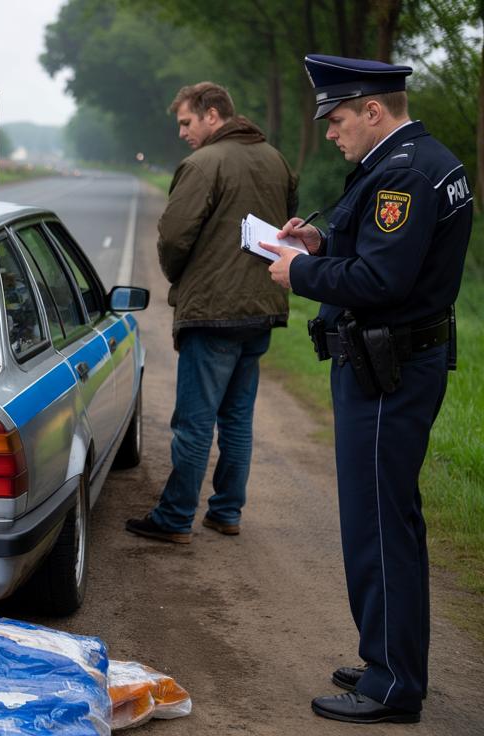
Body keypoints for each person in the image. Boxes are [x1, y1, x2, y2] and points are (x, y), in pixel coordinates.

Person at [260, 54, 471, 725]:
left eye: (338, 118)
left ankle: (392, 683)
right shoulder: (418, 160)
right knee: (388, 519)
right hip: (396, 364)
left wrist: (300, 273)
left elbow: (383, 282)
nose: (330, 132)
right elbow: (386, 253)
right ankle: (392, 658)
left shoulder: (403, 174)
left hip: (389, 373)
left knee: (378, 525)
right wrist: (320, 243)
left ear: (374, 110)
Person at [124, 82, 297, 544]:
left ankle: (175, 516)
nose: (182, 132)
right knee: (237, 418)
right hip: (261, 308)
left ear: (213, 115)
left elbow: (174, 236)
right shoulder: (276, 160)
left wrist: (177, 274)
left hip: (213, 312)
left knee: (194, 422)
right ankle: (226, 511)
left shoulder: (203, 163)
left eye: (186, 122)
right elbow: (288, 224)